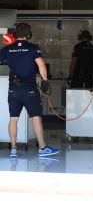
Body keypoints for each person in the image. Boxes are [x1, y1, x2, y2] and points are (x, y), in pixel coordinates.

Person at [0, 22, 60, 158]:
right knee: (36, 118)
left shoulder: (7, 49)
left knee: (13, 118)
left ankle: (13, 150)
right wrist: (45, 81)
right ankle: (42, 148)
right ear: (28, 33)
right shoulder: (33, 48)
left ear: (15, 34)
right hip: (30, 90)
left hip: (13, 90)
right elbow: (41, 66)